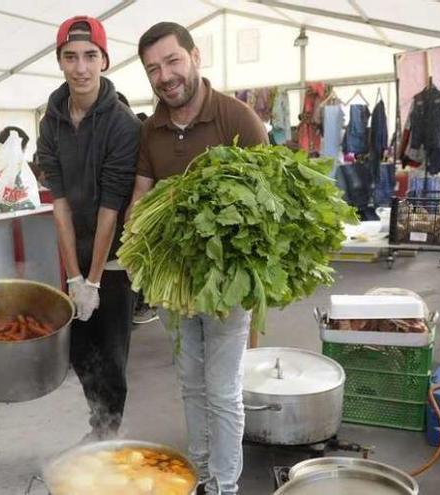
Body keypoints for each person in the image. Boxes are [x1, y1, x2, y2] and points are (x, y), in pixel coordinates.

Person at [127, 22, 268, 495]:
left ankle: (225, 487)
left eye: (171, 61)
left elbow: (270, 200)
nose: (164, 76)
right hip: (175, 281)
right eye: (153, 69)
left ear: (194, 56)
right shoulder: (151, 130)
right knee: (190, 383)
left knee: (223, 390)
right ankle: (202, 476)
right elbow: (141, 198)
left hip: (228, 280)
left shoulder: (237, 118)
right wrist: (135, 248)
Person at [38, 15, 140, 441]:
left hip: (115, 254)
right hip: (75, 251)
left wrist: (94, 280)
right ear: (60, 61)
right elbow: (59, 203)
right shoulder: (51, 120)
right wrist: (73, 275)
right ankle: (98, 421)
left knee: (111, 351)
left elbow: (110, 210)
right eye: (71, 56)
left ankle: (108, 432)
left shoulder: (122, 124)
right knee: (79, 348)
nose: (80, 67)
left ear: (104, 61)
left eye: (90, 56)